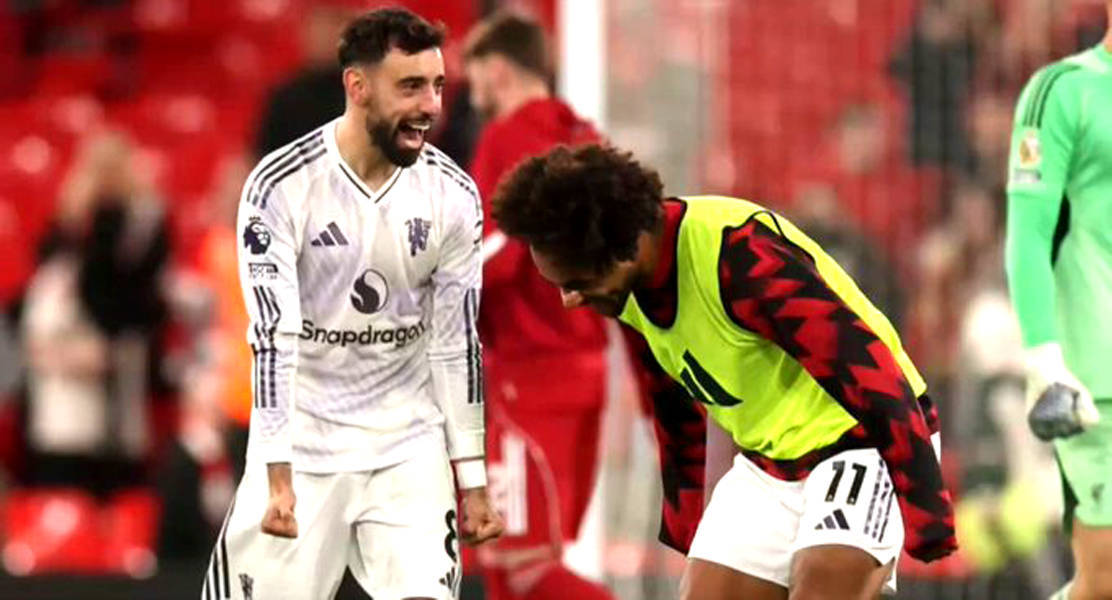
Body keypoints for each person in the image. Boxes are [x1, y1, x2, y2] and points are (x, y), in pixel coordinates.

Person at [491, 144, 957, 599]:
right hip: (769, 463)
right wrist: (691, 525)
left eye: (577, 283)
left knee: (823, 585)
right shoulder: (627, 290)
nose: (569, 300)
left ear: (624, 251)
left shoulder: (738, 256)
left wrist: (927, 512)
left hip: (863, 439)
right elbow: (673, 405)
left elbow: (868, 369)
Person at [200, 9, 503, 600]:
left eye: (437, 86)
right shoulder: (280, 187)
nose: (431, 106)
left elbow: (455, 343)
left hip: (407, 448)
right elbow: (275, 337)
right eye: (410, 86)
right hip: (305, 448)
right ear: (357, 86)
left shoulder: (452, 194)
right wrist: (276, 471)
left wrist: (472, 478)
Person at [461, 12, 615, 600]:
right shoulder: (585, 137)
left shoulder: (507, 137)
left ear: (498, 71)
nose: (471, 91)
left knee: (521, 566)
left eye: (475, 74)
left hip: (530, 370)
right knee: (507, 565)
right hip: (585, 364)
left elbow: (494, 252)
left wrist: (425, 288)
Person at [1005, 5, 1112, 598]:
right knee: (1107, 577)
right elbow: (1028, 233)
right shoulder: (1063, 91)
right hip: (1099, 376)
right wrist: (1044, 360)